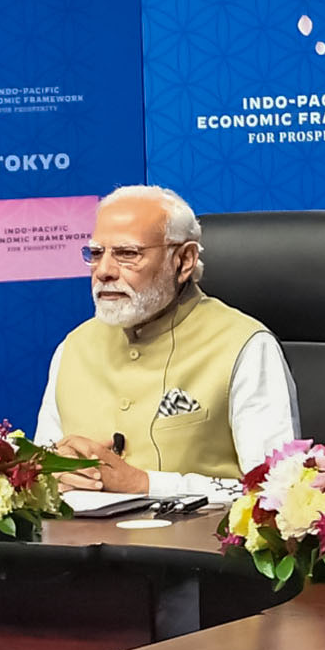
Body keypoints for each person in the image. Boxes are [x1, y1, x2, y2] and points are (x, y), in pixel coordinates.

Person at [32, 185, 300, 495]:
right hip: (78, 527)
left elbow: (278, 491)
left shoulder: (246, 346)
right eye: (96, 253)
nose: (104, 271)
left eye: (127, 254)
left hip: (198, 528)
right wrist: (53, 472)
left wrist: (146, 484)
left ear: (184, 260)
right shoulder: (73, 347)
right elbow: (41, 473)